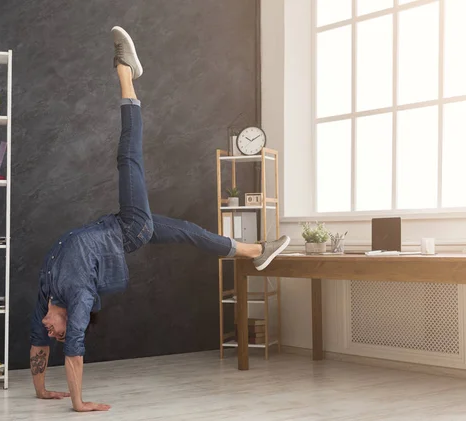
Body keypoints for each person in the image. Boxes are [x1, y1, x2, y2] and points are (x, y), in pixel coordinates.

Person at [29, 26, 291, 413]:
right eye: (59, 333)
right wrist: (78, 402)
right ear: (71, 321)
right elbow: (74, 350)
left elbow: (38, 340)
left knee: (189, 233)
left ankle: (256, 250)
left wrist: (40, 391)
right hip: (130, 228)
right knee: (128, 159)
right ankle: (125, 72)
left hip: (119, 223)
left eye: (53, 331)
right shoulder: (79, 298)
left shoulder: (47, 296)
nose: (53, 334)